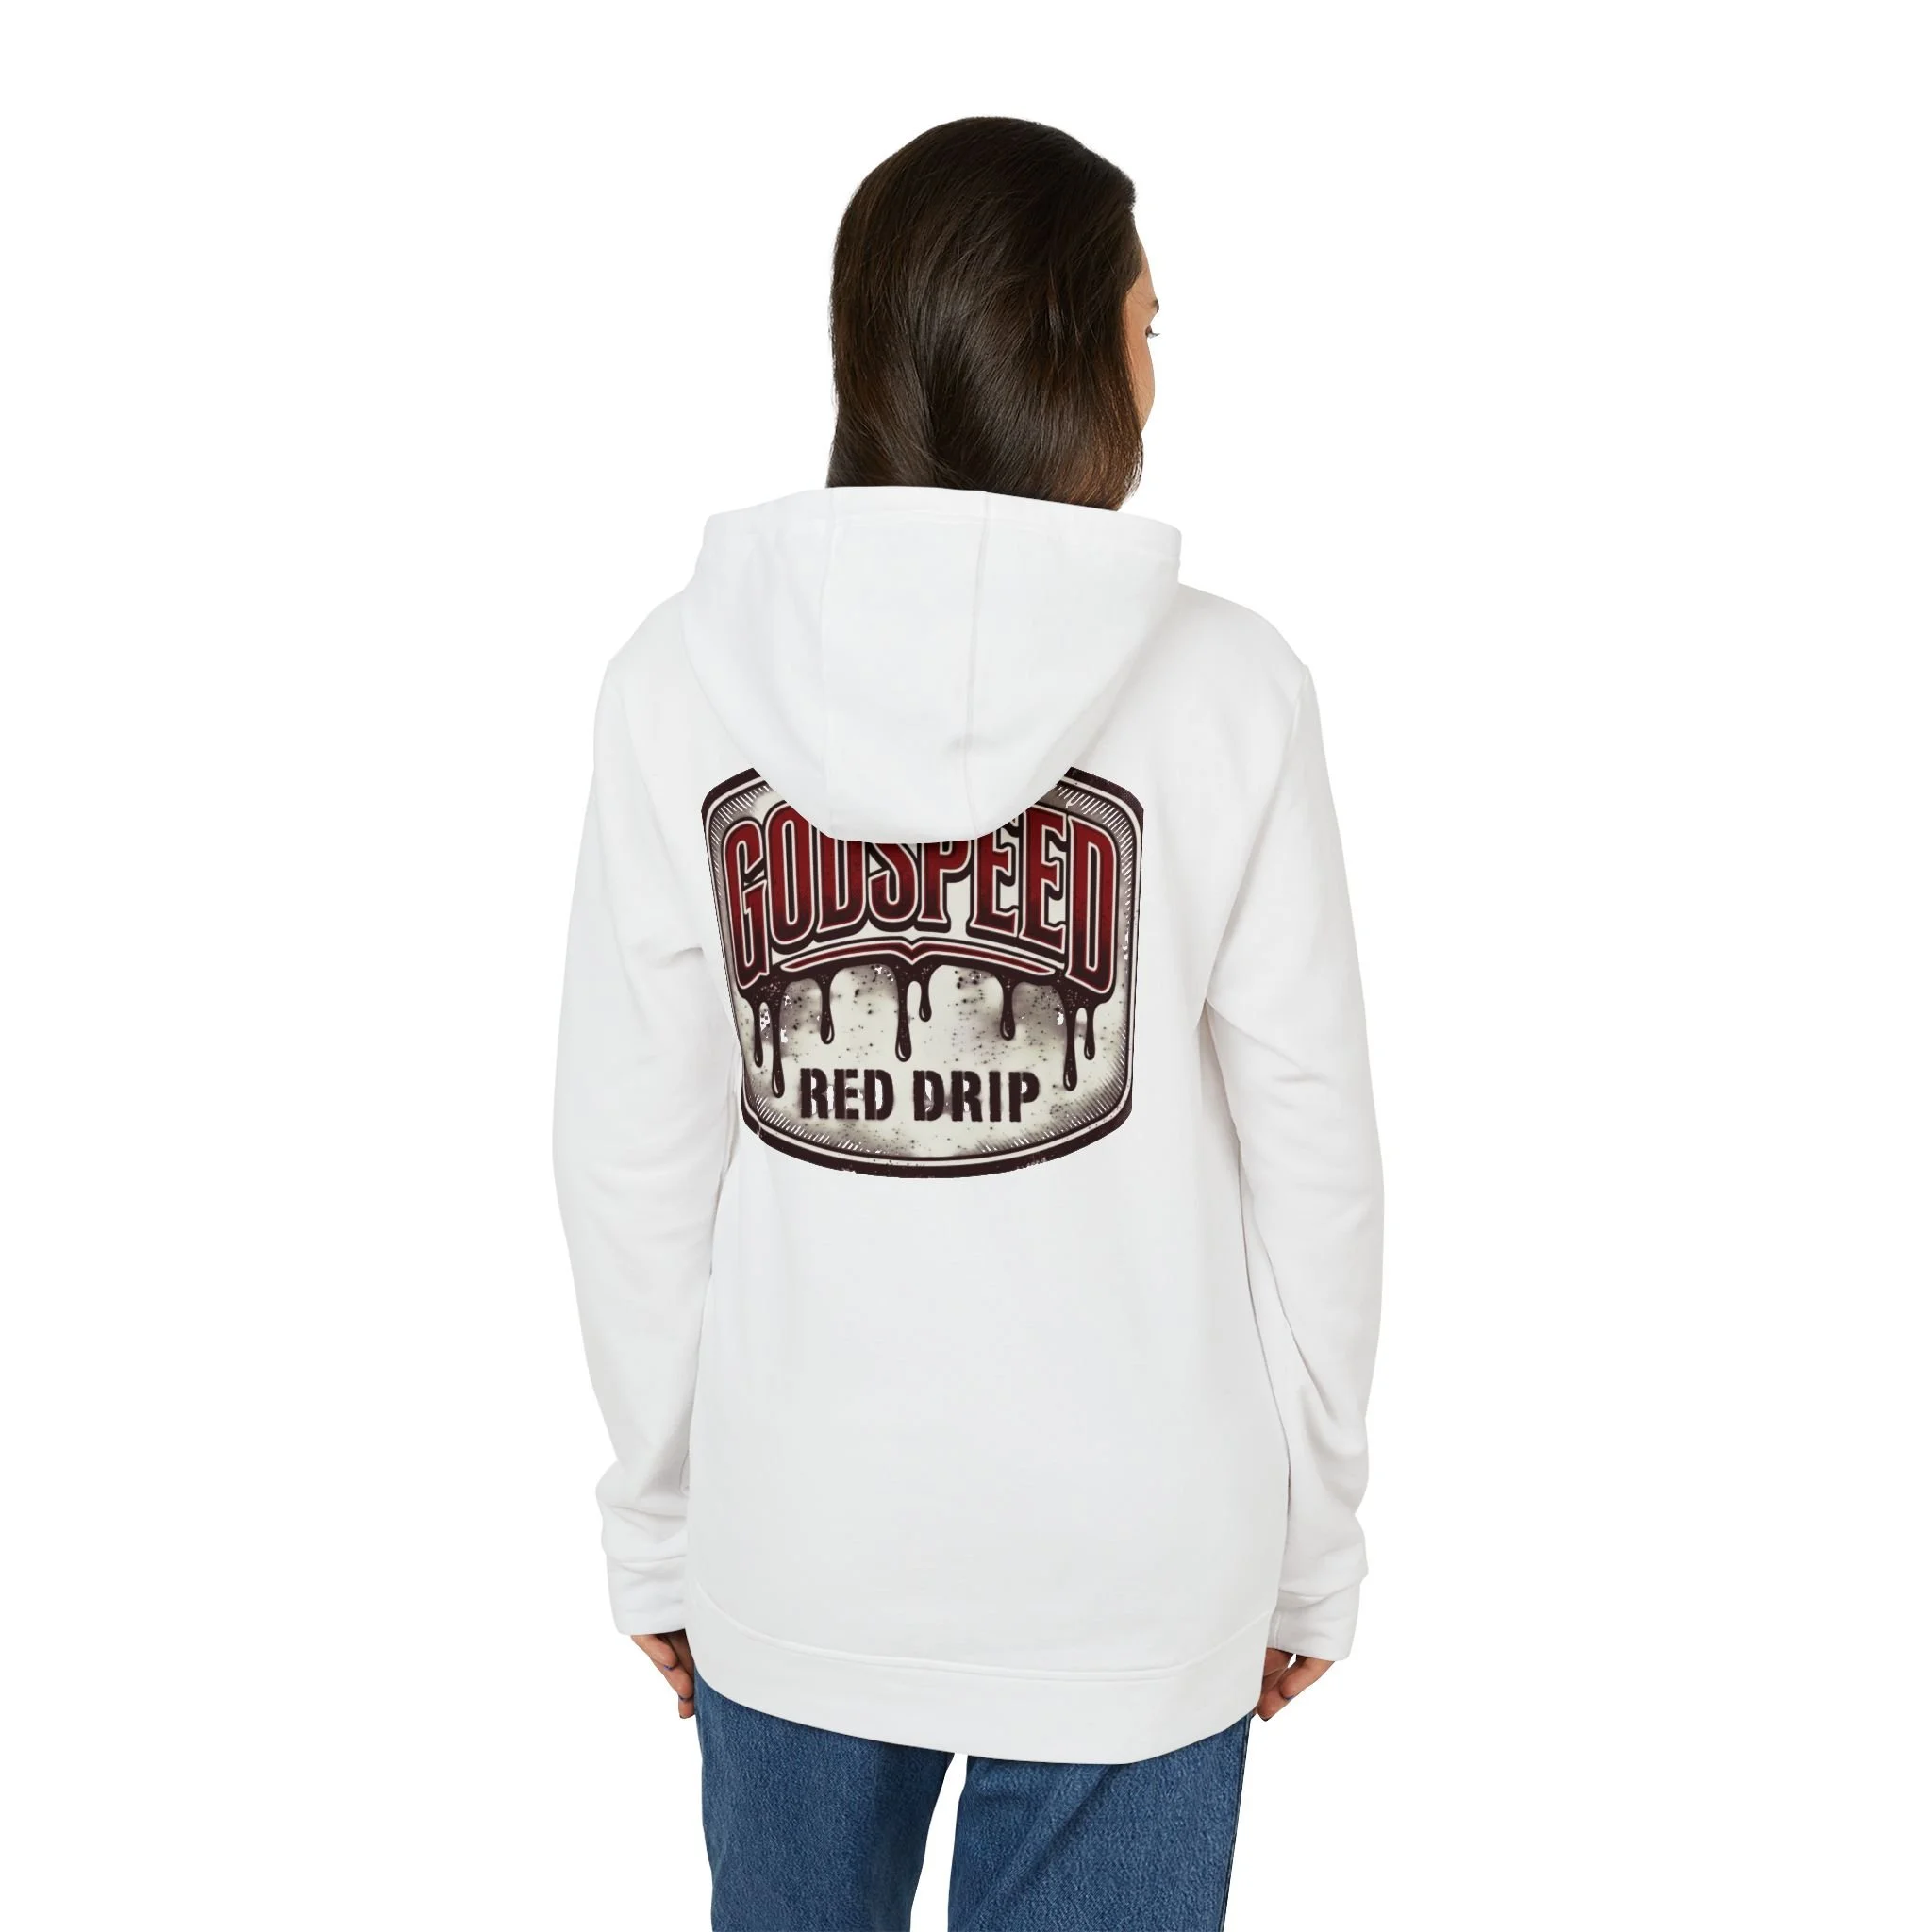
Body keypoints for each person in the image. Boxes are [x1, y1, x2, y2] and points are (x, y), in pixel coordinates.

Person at [554, 116, 1382, 1932]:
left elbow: (630, 1154)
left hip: (799, 1535)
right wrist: (1311, 1540)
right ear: (1073, 350)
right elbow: (1314, 1149)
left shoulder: (677, 679)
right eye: (1150, 326)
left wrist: (662, 1521)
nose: (1160, 370)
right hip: (1140, 1566)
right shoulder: (1229, 689)